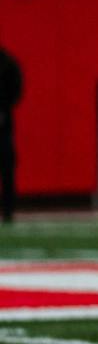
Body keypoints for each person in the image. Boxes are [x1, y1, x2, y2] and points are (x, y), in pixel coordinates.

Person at [0, 41, 20, 226]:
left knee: (7, 170)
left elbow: (16, 90)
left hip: (3, 127)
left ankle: (8, 210)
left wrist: (4, 106)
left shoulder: (7, 63)